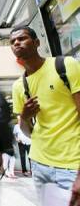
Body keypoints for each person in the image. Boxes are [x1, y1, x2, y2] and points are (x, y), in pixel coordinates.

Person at [10, 26, 80, 200]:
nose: (17, 42)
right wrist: (25, 117)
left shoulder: (65, 65)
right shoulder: (19, 86)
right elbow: (27, 132)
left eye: (22, 38)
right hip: (40, 164)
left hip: (72, 164)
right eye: (12, 41)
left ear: (36, 42)